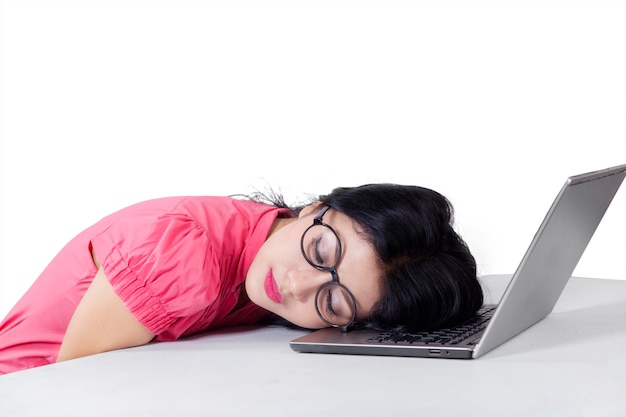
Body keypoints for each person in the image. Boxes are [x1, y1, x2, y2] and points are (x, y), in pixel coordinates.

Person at [0, 183, 484, 374]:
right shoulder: (183, 252)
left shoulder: (266, 243)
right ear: (316, 209)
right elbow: (69, 392)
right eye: (319, 251)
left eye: (333, 302)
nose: (297, 286)